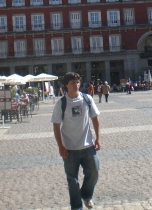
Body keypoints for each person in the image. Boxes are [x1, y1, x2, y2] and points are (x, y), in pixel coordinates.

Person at [51, 72, 101, 210]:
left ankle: (86, 195)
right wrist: (60, 146)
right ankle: (76, 207)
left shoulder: (87, 99)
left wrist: (98, 138)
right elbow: (56, 125)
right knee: (72, 179)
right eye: (73, 82)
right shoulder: (61, 103)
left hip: (88, 145)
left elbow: (95, 119)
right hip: (69, 148)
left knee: (94, 171)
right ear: (66, 85)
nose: (76, 84)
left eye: (78, 82)